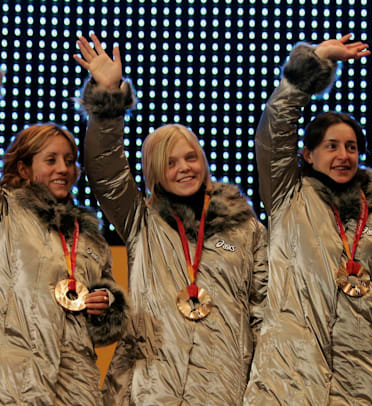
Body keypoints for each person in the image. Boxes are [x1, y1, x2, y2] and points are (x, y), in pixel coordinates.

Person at [74, 33, 268, 405]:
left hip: (225, 386)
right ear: (153, 171)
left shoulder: (244, 226)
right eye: (171, 161)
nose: (184, 169)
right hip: (150, 386)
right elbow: (105, 167)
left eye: (191, 158)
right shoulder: (141, 220)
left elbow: (263, 306)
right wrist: (109, 97)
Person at [0, 33, 128, 405]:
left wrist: (106, 302)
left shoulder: (89, 237)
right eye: (51, 160)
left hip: (73, 389)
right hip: (2, 385)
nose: (64, 168)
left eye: (70, 161)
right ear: (25, 168)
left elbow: (106, 317)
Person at [243, 35, 372, 406]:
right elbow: (273, 132)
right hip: (287, 378)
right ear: (307, 155)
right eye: (332, 146)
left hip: (363, 378)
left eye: (351, 147)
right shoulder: (287, 198)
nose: (343, 155)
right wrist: (313, 63)